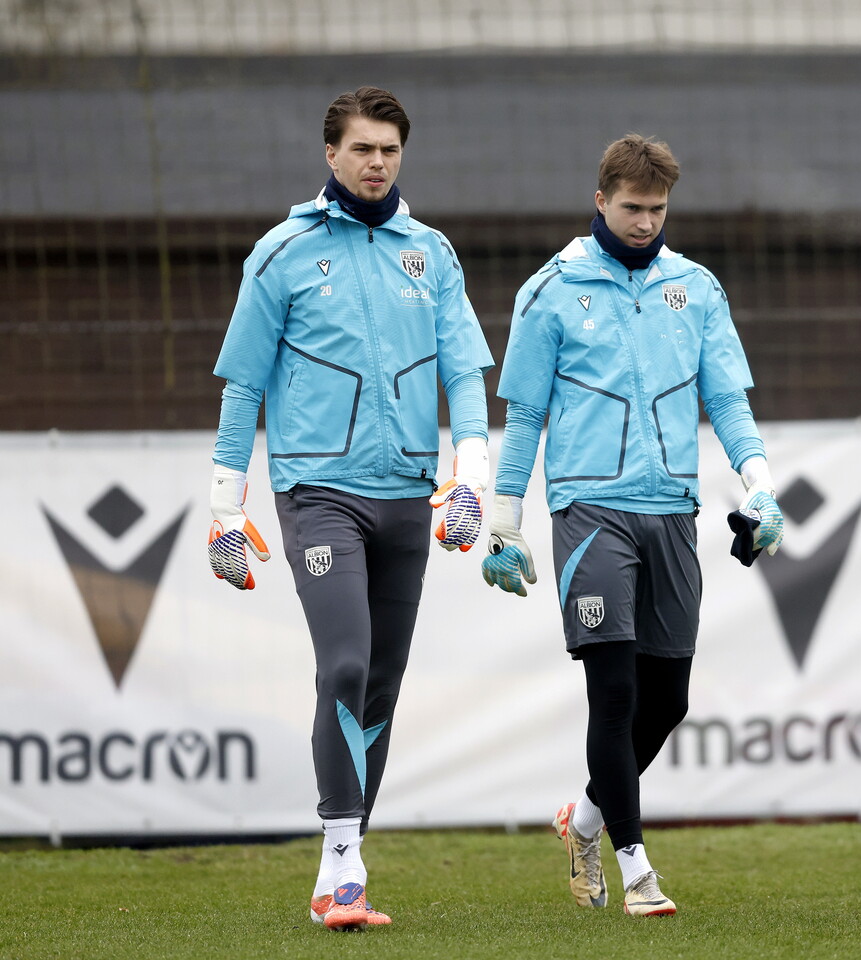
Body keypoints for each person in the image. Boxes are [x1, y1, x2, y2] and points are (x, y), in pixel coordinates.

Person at [206, 86, 493, 932]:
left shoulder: (432, 253)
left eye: (390, 150)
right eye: (362, 149)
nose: (376, 162)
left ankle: (343, 862)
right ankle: (343, 862)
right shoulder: (282, 253)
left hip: (408, 494)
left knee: (381, 685)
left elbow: (465, 373)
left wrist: (471, 471)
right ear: (330, 155)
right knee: (343, 666)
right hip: (317, 493)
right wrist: (225, 508)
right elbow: (243, 388)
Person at [479, 134, 784, 917]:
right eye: (632, 207)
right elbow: (527, 415)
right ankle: (636, 867)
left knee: (668, 700)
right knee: (612, 692)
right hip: (589, 512)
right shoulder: (550, 289)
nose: (646, 222)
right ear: (600, 201)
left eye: (657, 209)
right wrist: (504, 521)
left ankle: (583, 819)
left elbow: (728, 403)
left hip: (671, 512)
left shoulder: (698, 289)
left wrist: (762, 485)